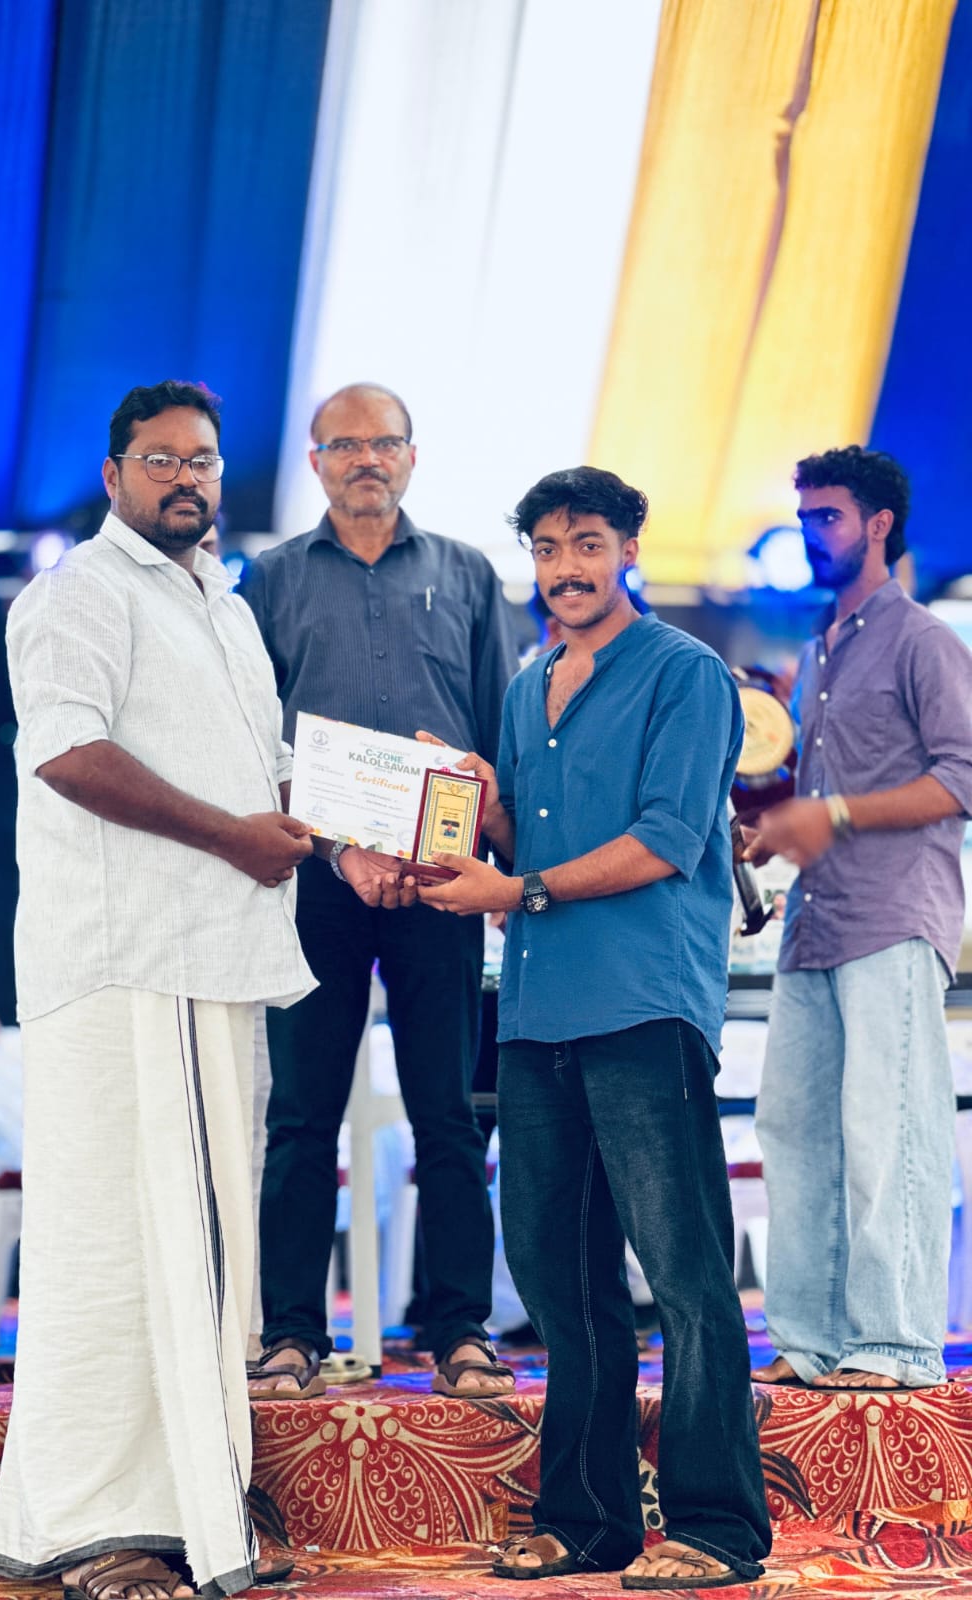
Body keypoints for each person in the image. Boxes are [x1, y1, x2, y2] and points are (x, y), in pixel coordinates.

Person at [405, 467, 771, 1587]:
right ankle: (590, 1520)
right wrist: (476, 801)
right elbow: (526, 839)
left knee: (686, 1275)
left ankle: (716, 1528)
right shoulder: (528, 688)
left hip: (644, 1002)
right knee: (560, 1281)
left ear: (629, 551)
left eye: (588, 544)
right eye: (548, 547)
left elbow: (665, 841)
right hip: (536, 1011)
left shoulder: (686, 673)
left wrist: (515, 890)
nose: (566, 567)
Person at [0, 379, 314, 1600]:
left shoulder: (223, 605)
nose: (188, 478)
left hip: (213, 958)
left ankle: (185, 1507)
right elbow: (68, 754)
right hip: (131, 961)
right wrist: (233, 836)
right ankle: (94, 1523)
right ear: (115, 472)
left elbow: (265, 775)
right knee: (120, 1244)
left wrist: (374, 826)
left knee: (199, 1248)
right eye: (163, 458)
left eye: (205, 460)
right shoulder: (79, 591)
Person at [239, 382, 517, 1401]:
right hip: (319, 881)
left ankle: (461, 1331)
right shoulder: (268, 579)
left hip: (443, 883)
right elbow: (249, 739)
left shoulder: (468, 572)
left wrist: (487, 852)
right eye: (345, 443)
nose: (367, 458)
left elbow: (499, 728)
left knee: (449, 1113)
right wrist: (340, 849)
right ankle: (289, 1334)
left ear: (411, 456)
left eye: (384, 442)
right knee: (300, 1117)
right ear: (314, 460)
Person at [748, 446, 972, 1391]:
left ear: (879, 524)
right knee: (795, 1130)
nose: (811, 534)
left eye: (828, 517)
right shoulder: (818, 651)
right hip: (815, 921)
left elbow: (963, 776)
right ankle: (809, 1339)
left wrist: (832, 814)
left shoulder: (923, 639)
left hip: (894, 916)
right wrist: (771, 831)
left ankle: (897, 1342)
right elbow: (815, 801)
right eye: (804, 517)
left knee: (889, 1131)